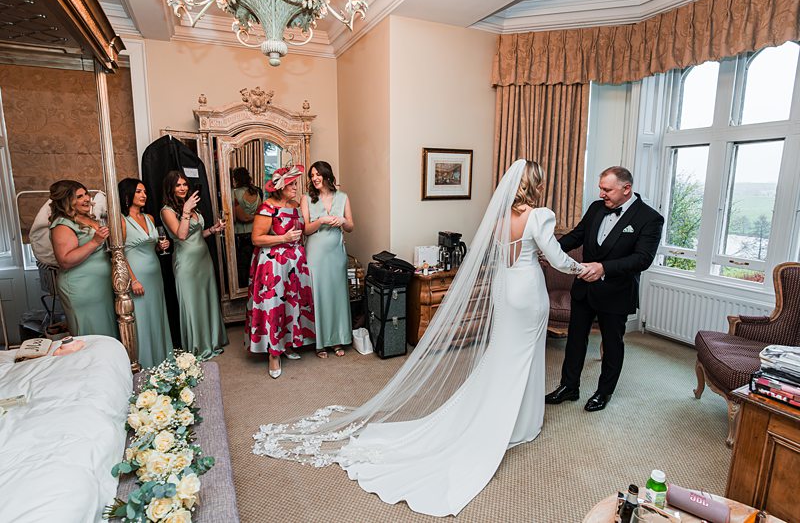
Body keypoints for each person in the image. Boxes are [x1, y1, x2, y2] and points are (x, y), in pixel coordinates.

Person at [252, 159, 583, 516]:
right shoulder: (540, 216)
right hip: (528, 291)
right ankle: (522, 422)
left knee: (502, 353)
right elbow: (557, 259)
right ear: (534, 184)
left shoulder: (501, 220)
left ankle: (510, 414)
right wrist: (583, 269)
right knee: (525, 354)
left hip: (505, 290)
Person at [545, 166, 664, 412]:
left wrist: (604, 268)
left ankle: (603, 392)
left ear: (626, 189)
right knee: (575, 340)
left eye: (607, 189)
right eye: (600, 188)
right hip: (583, 289)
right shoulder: (596, 208)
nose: (602, 194)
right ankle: (569, 387)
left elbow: (642, 259)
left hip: (616, 292)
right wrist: (550, 250)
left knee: (612, 344)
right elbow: (576, 235)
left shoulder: (649, 218)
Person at [246, 165, 315, 379]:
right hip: (273, 264)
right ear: (281, 186)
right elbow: (256, 239)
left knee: (291, 304)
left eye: (296, 183)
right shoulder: (267, 208)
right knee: (274, 306)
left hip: (294, 263)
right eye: (292, 184)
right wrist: (283, 239)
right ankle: (273, 354)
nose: (296, 187)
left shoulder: (295, 205)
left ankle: (288, 344)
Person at [160, 171, 227, 357]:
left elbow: (197, 234)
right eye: (178, 185)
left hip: (203, 259)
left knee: (206, 299)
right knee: (192, 303)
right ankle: (198, 346)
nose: (183, 188)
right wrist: (186, 211)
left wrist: (213, 229)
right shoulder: (168, 210)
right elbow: (181, 235)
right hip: (186, 263)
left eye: (185, 184)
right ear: (170, 188)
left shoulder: (191, 208)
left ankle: (212, 341)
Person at [48, 180, 118, 337]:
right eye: (79, 196)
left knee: (106, 332)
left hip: (101, 287)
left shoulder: (91, 219)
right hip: (81, 287)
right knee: (91, 333)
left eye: (86, 194)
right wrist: (95, 242)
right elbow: (65, 260)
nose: (87, 198)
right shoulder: (62, 225)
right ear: (67, 201)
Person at [300, 161, 354, 358]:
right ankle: (320, 342)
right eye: (311, 175)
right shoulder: (306, 198)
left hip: (336, 252)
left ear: (326, 175)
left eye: (317, 174)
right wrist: (321, 220)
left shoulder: (343, 197)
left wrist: (343, 221)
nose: (314, 178)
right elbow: (305, 229)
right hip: (315, 252)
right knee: (318, 294)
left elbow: (351, 226)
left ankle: (337, 339)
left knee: (337, 294)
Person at [118, 178, 173, 369]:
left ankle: (163, 360)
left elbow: (152, 246)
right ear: (127, 195)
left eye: (145, 192)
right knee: (142, 320)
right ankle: (146, 364)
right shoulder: (121, 221)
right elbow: (119, 254)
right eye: (139, 192)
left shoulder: (149, 218)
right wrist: (132, 280)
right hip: (138, 278)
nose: (144, 195)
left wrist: (160, 245)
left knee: (157, 315)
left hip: (155, 275)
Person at [232, 167, 262, 288]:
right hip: (255, 232)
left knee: (242, 265)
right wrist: (254, 216)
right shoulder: (256, 192)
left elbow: (241, 217)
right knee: (254, 261)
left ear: (236, 179)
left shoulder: (233, 193)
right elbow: (260, 213)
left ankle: (244, 288)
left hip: (240, 234)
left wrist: (247, 218)